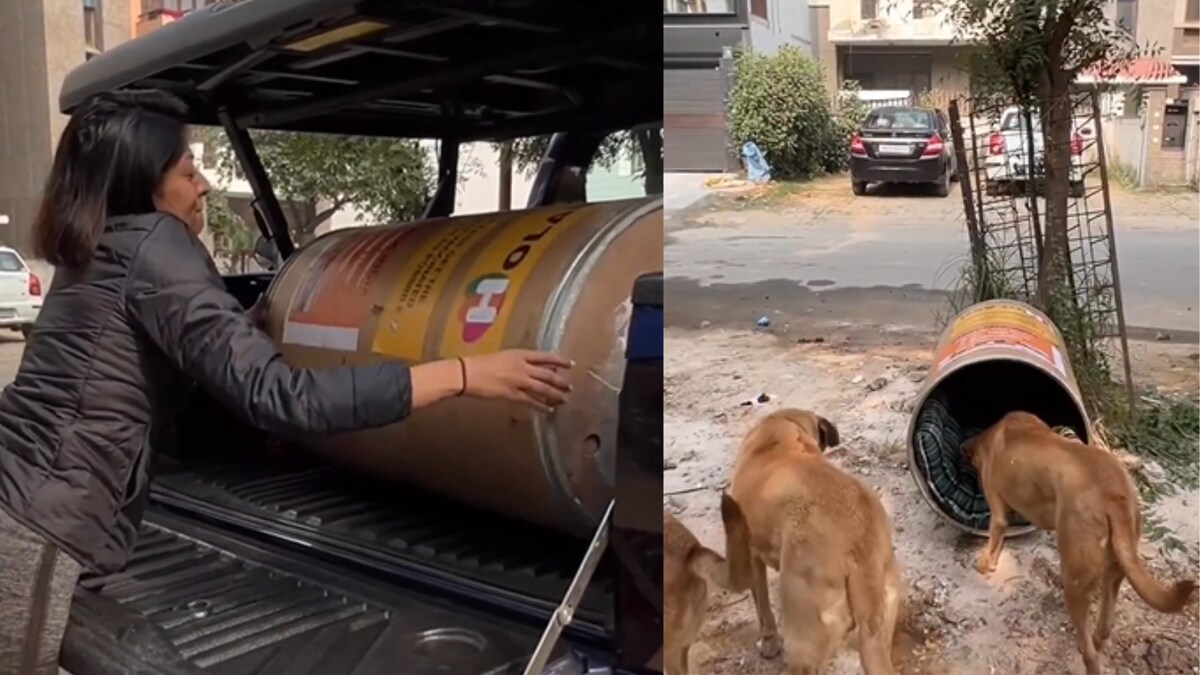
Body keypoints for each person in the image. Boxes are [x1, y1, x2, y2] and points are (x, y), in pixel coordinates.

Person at [0, 89, 573, 674]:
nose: (201, 186)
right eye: (188, 170)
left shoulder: (99, 247)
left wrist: (240, 330)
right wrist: (462, 372)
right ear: (147, 184)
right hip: (41, 523)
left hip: (22, 497)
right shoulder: (157, 243)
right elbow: (283, 398)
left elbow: (154, 358)